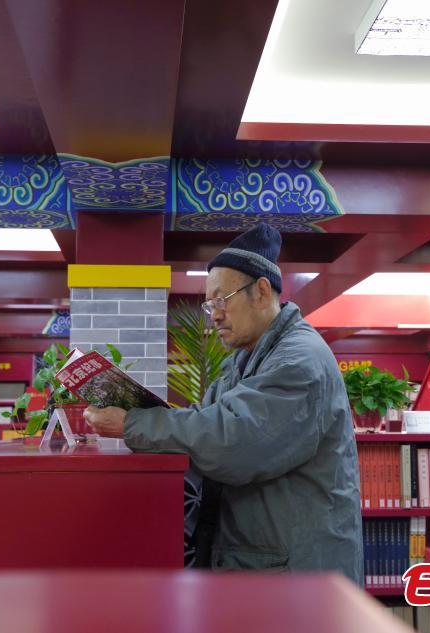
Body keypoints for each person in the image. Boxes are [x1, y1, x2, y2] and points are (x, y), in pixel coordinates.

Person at [84, 223, 363, 583]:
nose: (214, 314)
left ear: (261, 292)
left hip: (296, 576)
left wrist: (133, 424)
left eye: (221, 300)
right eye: (209, 305)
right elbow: (207, 421)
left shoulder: (299, 360)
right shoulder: (240, 364)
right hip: (262, 564)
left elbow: (233, 440)